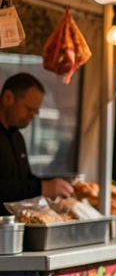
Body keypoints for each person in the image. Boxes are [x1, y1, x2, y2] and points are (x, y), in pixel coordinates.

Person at [0, 74, 73, 203]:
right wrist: (41, 187)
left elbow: (23, 180)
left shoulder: (16, 137)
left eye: (36, 111)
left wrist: (53, 185)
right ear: (8, 98)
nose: (32, 116)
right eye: (29, 109)